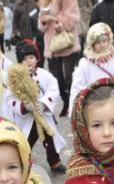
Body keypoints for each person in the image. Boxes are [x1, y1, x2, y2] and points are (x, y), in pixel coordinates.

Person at [5, 40, 67, 174]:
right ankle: (22, 163)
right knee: (26, 141)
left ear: (37, 58)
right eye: (25, 59)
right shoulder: (16, 78)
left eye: (31, 57)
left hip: (42, 115)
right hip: (27, 119)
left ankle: (55, 162)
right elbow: (9, 99)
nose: (29, 61)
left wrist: (44, 103)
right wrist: (24, 107)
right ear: (20, 61)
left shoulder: (45, 75)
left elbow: (53, 89)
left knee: (49, 139)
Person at [69, 22, 114, 115]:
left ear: (109, 41)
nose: (102, 45)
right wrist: (75, 112)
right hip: (93, 108)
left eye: (104, 41)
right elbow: (77, 88)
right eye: (98, 42)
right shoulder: (85, 64)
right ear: (92, 44)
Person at [38, 0, 81, 117]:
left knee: (69, 76)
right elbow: (41, 28)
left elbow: (73, 20)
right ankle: (66, 101)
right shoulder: (45, 2)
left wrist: (55, 19)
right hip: (52, 46)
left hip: (68, 44)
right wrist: (43, 20)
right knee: (57, 80)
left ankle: (75, 103)